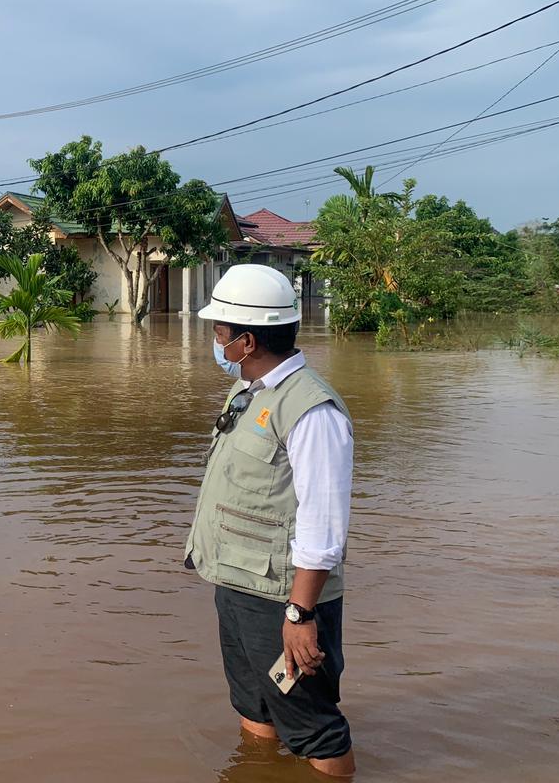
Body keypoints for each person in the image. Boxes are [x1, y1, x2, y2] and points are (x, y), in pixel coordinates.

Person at [183, 264, 357, 777]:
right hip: (238, 582)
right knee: (255, 705)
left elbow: (324, 526)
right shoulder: (248, 393)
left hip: (284, 599)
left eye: (219, 331)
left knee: (312, 725)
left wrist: (300, 616)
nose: (214, 341)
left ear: (246, 340)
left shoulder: (312, 410)